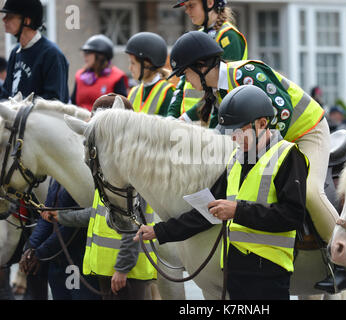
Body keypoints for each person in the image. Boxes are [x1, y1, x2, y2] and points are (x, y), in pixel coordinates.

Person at [167, 30, 346, 293]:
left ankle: (344, 266)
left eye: (185, 74)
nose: (186, 82)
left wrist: (255, 157)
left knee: (311, 192)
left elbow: (283, 113)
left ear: (201, 66)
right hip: (278, 139)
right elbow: (206, 120)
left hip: (306, 131)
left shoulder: (246, 73)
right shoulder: (217, 90)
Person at [135, 85, 309, 299]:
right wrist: (160, 231)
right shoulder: (235, 160)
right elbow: (207, 211)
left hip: (268, 274)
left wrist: (238, 211)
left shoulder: (288, 156)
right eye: (230, 133)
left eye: (238, 132)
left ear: (262, 124)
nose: (233, 139)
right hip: (235, 270)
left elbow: (292, 216)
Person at [43, 94, 158, 300]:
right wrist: (61, 217)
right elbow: (96, 213)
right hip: (111, 272)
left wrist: (122, 268)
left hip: (125, 273)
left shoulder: (133, 168)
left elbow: (134, 223)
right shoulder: (110, 168)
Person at [20, 179, 101, 300]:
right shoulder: (56, 178)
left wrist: (40, 252)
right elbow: (46, 216)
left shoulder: (84, 176)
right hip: (57, 262)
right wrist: (30, 248)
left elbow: (73, 226)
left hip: (79, 261)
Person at [167, 0, 248, 120]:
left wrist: (188, 117)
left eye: (191, 5)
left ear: (209, 3)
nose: (187, 11)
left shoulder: (229, 37)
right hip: (189, 122)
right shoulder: (197, 36)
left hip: (211, 121)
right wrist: (172, 115)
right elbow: (182, 81)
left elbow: (224, 89)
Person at [0, 0, 69, 102]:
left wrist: (19, 109)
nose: (4, 19)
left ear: (27, 21)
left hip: (40, 118)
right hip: (14, 117)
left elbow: (54, 100)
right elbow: (6, 94)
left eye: (10, 16)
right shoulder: (15, 52)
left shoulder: (52, 54)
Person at [72, 34, 128, 111]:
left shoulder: (117, 77)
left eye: (88, 52)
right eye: (84, 52)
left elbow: (122, 108)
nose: (84, 56)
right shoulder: (79, 75)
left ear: (100, 56)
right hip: (80, 120)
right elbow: (73, 103)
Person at [125, 32, 174, 116]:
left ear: (147, 65)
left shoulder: (167, 92)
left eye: (133, 63)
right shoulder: (133, 92)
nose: (130, 68)